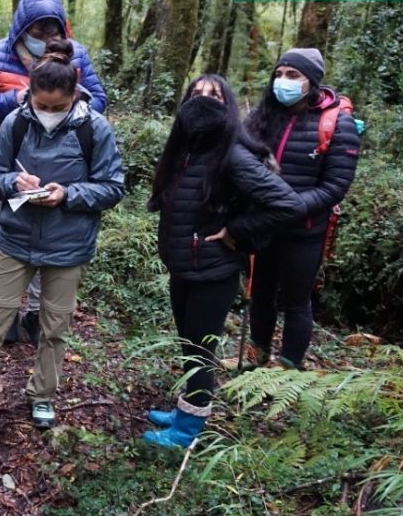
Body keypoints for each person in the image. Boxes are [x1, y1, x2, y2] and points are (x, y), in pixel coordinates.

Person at [0, 39, 125, 431]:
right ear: (30, 96)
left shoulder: (95, 127)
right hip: (16, 238)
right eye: (42, 105)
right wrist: (15, 184)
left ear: (75, 95)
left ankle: (42, 396)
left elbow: (113, 186)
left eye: (58, 107)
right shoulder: (15, 121)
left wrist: (68, 193)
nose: (49, 113)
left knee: (54, 328)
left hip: (68, 245)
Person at [142, 75, 304, 449]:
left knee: (200, 350)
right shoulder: (185, 151)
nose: (203, 102)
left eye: (213, 96)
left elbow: (288, 205)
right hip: (184, 267)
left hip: (213, 272)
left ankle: (187, 431)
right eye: (196, 94)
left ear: (227, 106)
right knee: (189, 344)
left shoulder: (232, 155)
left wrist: (236, 230)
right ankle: (187, 409)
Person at [0, 0, 108, 344]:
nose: (45, 39)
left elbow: (99, 100)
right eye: (37, 31)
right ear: (22, 27)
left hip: (65, 164)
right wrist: (14, 100)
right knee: (8, 237)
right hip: (10, 163)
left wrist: (71, 103)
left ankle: (35, 314)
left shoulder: (77, 57)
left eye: (52, 31)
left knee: (53, 241)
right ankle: (5, 312)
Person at [240, 48, 361, 371]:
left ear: (312, 82)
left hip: (304, 230)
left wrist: (292, 206)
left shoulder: (338, 123)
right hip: (263, 226)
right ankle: (258, 353)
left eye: (293, 75)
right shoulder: (265, 115)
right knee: (260, 294)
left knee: (296, 301)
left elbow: (336, 185)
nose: (283, 81)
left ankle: (289, 365)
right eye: (279, 74)